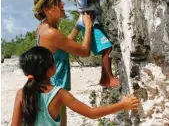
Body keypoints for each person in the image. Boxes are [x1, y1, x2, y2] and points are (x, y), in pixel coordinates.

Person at [11, 46, 140, 126]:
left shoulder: (21, 93)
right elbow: (91, 113)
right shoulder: (58, 94)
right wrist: (123, 105)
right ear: (50, 70)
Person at [33, 0, 94, 126]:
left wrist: (78, 27)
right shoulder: (51, 33)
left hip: (46, 87)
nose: (63, 5)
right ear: (48, 9)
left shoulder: (43, 28)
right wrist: (88, 26)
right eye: (58, 2)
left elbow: (63, 45)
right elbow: (84, 52)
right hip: (54, 88)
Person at [63, 0, 120, 88]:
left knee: (107, 49)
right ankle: (109, 78)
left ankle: (104, 79)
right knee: (107, 48)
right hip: (89, 25)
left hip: (94, 23)